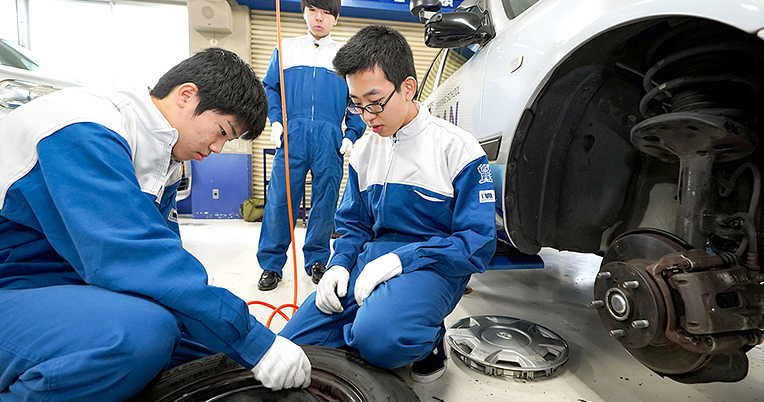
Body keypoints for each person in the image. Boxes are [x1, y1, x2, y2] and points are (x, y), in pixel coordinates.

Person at [0, 48, 310, 401]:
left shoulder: (162, 162)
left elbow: (166, 273)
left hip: (54, 286)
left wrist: (233, 338)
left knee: (208, 349)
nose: (219, 148)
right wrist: (251, 338)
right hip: (14, 288)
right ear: (186, 95)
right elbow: (131, 260)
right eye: (222, 131)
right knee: (141, 335)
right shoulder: (83, 126)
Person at [279, 25, 497, 383]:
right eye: (357, 104)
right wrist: (339, 265)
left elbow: (476, 245)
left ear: (408, 88)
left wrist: (403, 259)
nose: (367, 115)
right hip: (372, 258)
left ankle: (427, 338)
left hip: (435, 265)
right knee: (292, 344)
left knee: (380, 340)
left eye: (376, 101)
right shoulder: (365, 150)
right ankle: (375, 318)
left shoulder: (457, 148)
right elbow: (353, 226)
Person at [256, 0, 367, 291]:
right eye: (313, 10)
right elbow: (271, 88)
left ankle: (317, 259)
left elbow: (356, 102)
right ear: (304, 12)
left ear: (336, 18)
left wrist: (351, 134)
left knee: (325, 203)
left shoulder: (346, 58)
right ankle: (271, 264)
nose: (319, 18)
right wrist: (277, 121)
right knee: (280, 202)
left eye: (327, 12)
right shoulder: (286, 48)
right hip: (292, 136)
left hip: (329, 140)